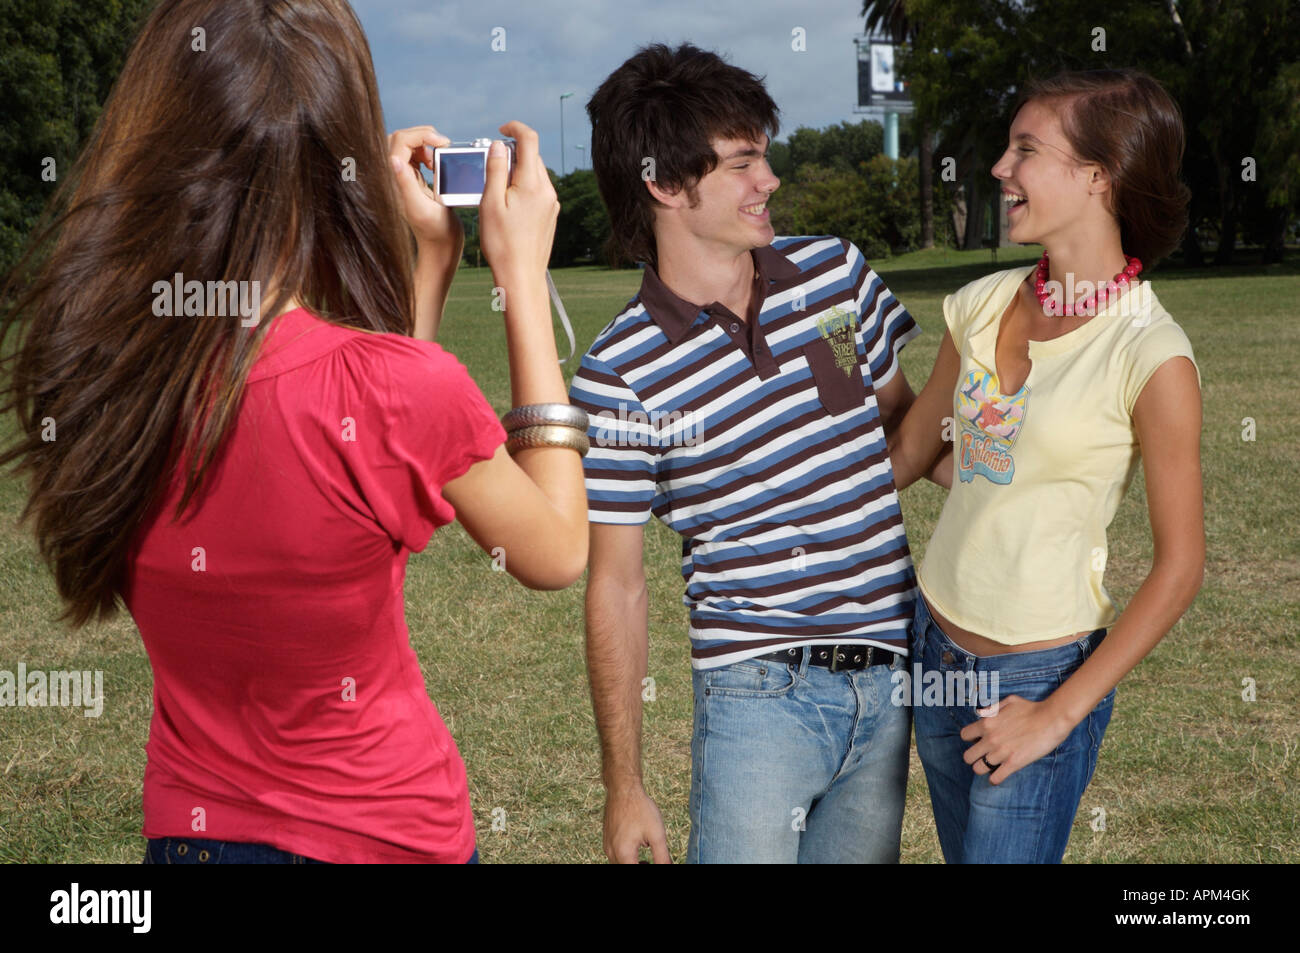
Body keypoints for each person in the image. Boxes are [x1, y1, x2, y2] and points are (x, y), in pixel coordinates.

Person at [0, 0, 587, 864]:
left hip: (194, 835)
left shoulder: (105, 379)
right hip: (385, 834)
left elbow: (366, 452)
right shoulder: (395, 389)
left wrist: (434, 261)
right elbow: (558, 549)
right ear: (339, 142)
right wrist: (524, 279)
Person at [569, 42, 951, 864]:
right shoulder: (618, 372)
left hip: (891, 678)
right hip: (755, 696)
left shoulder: (835, 278)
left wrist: (1031, 462)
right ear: (666, 185)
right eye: (742, 163)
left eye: (764, 157)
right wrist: (624, 785)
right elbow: (618, 582)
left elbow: (910, 431)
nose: (768, 180)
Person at [887, 68, 1204, 863]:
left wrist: (1057, 713)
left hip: (1037, 677)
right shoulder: (981, 302)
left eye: (1025, 149)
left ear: (1098, 176)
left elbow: (1181, 567)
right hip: (933, 648)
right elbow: (912, 454)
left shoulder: (1151, 354)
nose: (999, 167)